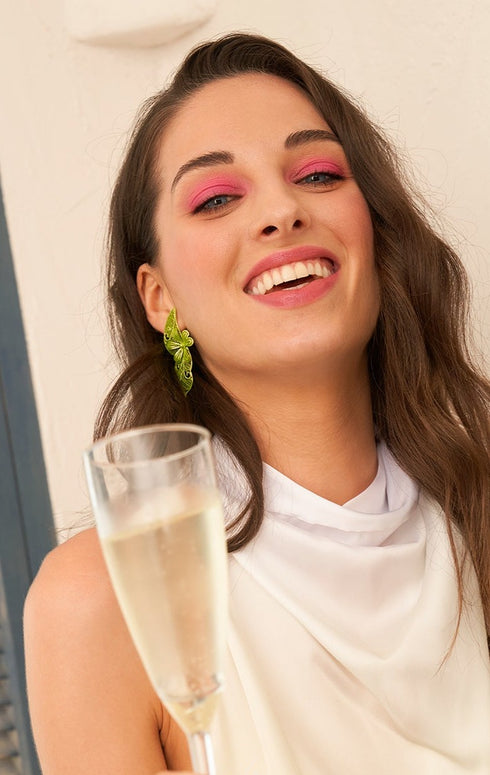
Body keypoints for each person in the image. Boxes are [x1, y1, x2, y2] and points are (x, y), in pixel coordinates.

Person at [24, 32, 490, 775]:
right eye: (215, 198)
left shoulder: (479, 510)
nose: (280, 209)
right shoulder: (103, 601)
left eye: (317, 173)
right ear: (160, 298)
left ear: (374, 234)